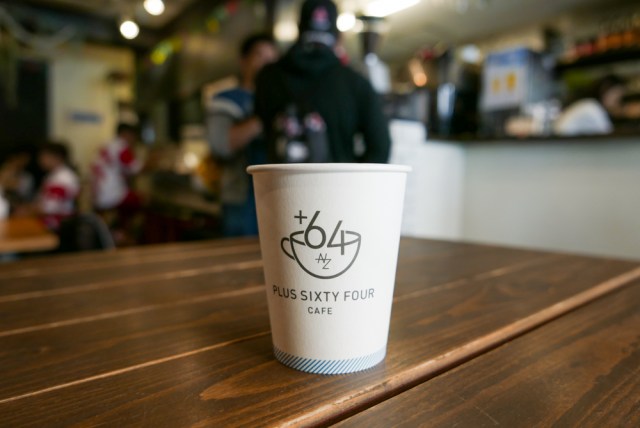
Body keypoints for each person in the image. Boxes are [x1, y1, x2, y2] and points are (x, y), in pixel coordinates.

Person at [254, 0, 391, 164]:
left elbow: (261, 130)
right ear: (338, 35)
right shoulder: (355, 83)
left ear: (298, 28)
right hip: (337, 179)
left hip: (280, 180)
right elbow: (380, 148)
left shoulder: (268, 77)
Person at [205, 33, 278, 237]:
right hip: (240, 199)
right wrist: (264, 116)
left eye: (272, 58)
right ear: (243, 61)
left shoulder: (282, 100)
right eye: (260, 56)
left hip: (276, 195)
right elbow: (221, 146)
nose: (267, 64)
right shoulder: (225, 100)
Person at [15, 142, 80, 230]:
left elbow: (50, 207)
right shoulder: (54, 175)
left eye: (44, 156)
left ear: (57, 157)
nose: (40, 160)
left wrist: (28, 210)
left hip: (57, 225)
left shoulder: (62, 178)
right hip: (50, 221)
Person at [554, 74, 626, 136]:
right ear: (604, 90)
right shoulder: (593, 108)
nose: (617, 103)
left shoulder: (588, 104)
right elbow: (609, 136)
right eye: (616, 98)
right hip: (561, 144)